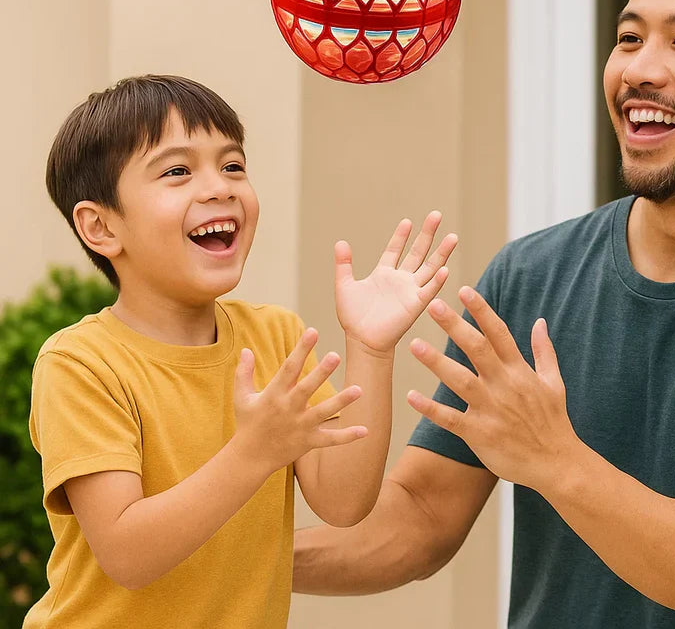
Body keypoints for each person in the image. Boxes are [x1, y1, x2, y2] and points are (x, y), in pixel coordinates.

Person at [293, 0, 675, 627]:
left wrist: (555, 459)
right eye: (628, 38)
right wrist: (215, 551)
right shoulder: (533, 273)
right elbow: (419, 517)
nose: (639, 69)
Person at [24, 74, 457, 629]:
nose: (220, 187)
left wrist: (369, 350)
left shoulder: (273, 335)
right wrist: (253, 453)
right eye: (178, 171)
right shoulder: (80, 365)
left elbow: (345, 503)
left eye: (233, 165)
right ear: (101, 227)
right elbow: (128, 554)